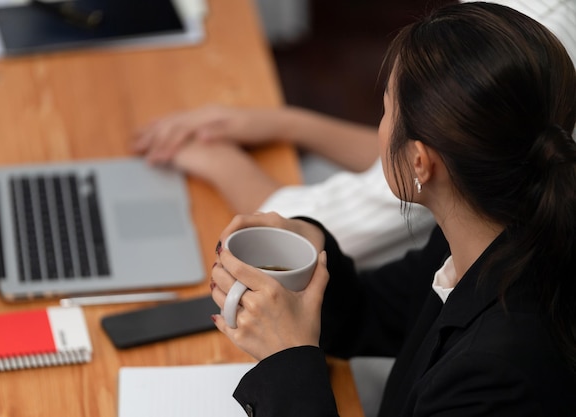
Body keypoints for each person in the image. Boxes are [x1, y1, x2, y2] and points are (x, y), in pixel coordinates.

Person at [206, 2, 576, 416]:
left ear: (420, 161)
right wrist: (313, 246)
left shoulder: (494, 378)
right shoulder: (490, 230)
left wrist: (288, 361)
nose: (380, 127)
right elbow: (374, 314)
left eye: (385, 110)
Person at [134, 0, 575, 271]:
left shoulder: (459, 243)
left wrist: (216, 159)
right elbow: (422, 152)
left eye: (384, 111)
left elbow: (336, 223)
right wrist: (289, 123)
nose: (383, 123)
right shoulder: (455, 239)